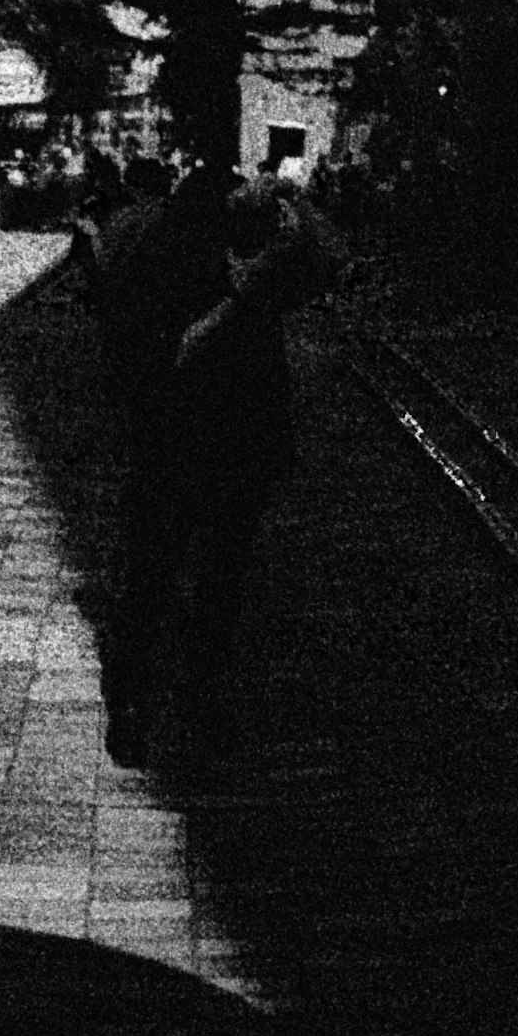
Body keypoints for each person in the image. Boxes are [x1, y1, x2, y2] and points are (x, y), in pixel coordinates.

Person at [83, 149, 334, 755]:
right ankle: (179, 702)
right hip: (215, 439)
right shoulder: (214, 252)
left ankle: (147, 702)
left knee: (163, 577)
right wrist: (282, 227)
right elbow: (329, 264)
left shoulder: (153, 236)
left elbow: (329, 260)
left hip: (186, 439)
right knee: (198, 580)